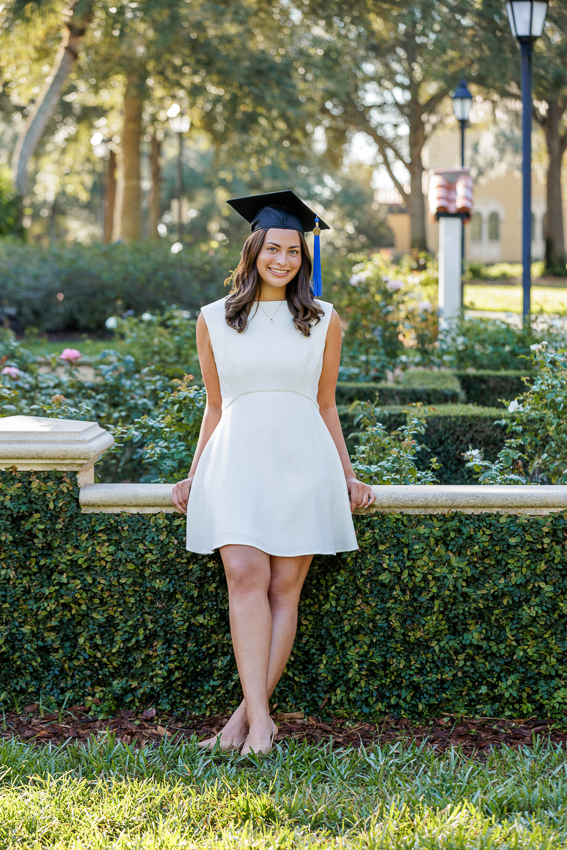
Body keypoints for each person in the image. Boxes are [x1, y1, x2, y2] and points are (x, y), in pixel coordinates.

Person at [171, 190, 376, 755]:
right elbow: (213, 405)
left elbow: (327, 404)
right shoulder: (214, 319)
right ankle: (260, 723)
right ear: (254, 249)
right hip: (235, 461)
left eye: (294, 251)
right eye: (274, 248)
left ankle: (247, 722)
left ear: (303, 259)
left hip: (302, 460)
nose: (284, 260)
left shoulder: (323, 319)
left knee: (285, 588)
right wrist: (193, 474)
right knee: (244, 575)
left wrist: (348, 474)